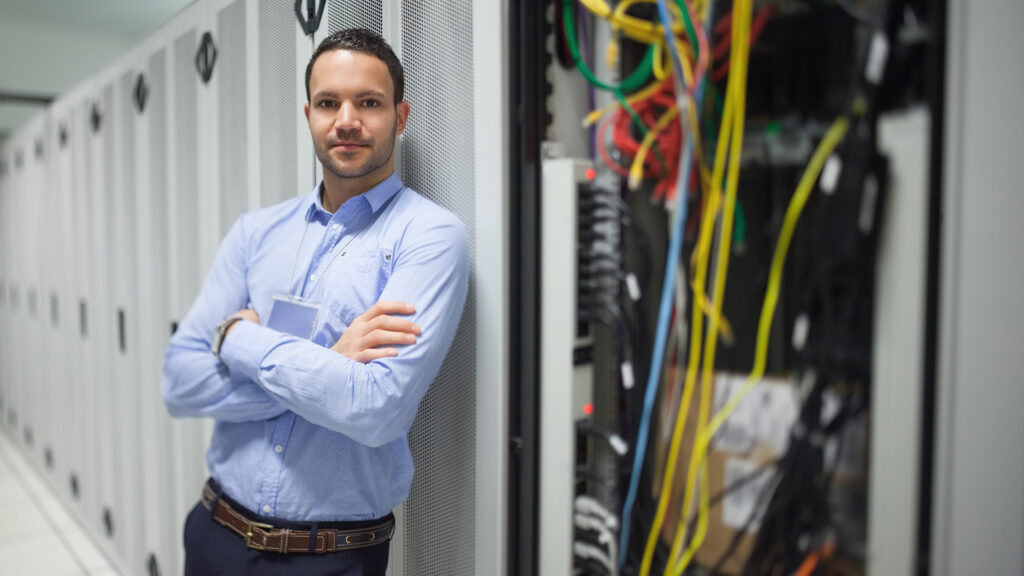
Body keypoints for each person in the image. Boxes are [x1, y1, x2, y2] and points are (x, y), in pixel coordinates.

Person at [162, 28, 468, 576]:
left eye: (368, 103)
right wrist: (327, 366)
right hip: (214, 534)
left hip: (333, 557)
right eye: (328, 102)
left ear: (399, 117)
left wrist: (238, 340)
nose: (345, 119)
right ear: (309, 115)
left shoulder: (429, 236)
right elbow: (179, 383)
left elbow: (375, 411)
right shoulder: (256, 233)